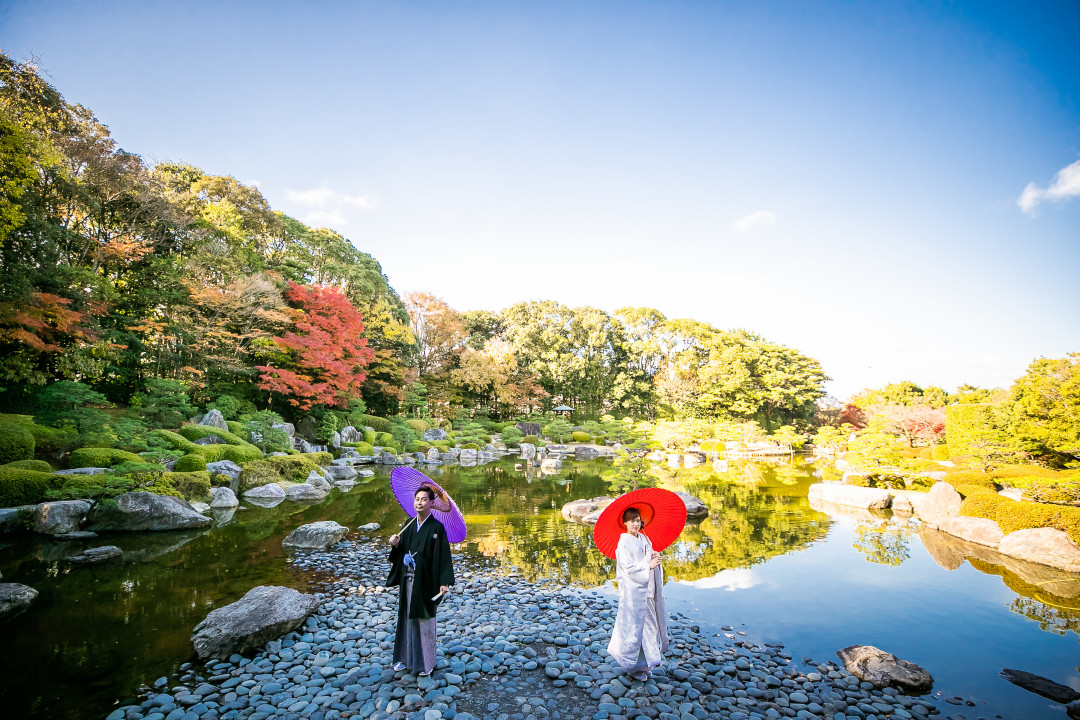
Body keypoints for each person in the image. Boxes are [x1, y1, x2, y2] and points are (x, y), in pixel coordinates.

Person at [386, 486, 454, 676]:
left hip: (426, 581)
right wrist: (397, 544)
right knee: (407, 618)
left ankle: (426, 663)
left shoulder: (437, 528)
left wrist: (445, 581)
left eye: (424, 499)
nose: (419, 502)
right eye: (417, 499)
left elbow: (443, 557)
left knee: (424, 619)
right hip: (408, 580)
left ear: (432, 503)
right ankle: (404, 658)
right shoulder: (409, 524)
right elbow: (400, 552)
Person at [607, 506, 669, 681]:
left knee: (649, 627)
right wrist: (647, 566)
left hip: (648, 589)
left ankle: (646, 664)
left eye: (637, 520)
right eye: (632, 520)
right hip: (634, 592)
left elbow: (646, 557)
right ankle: (632, 666)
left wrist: (654, 557)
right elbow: (627, 569)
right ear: (625, 522)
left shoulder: (643, 538)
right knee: (636, 629)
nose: (635, 524)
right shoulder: (623, 543)